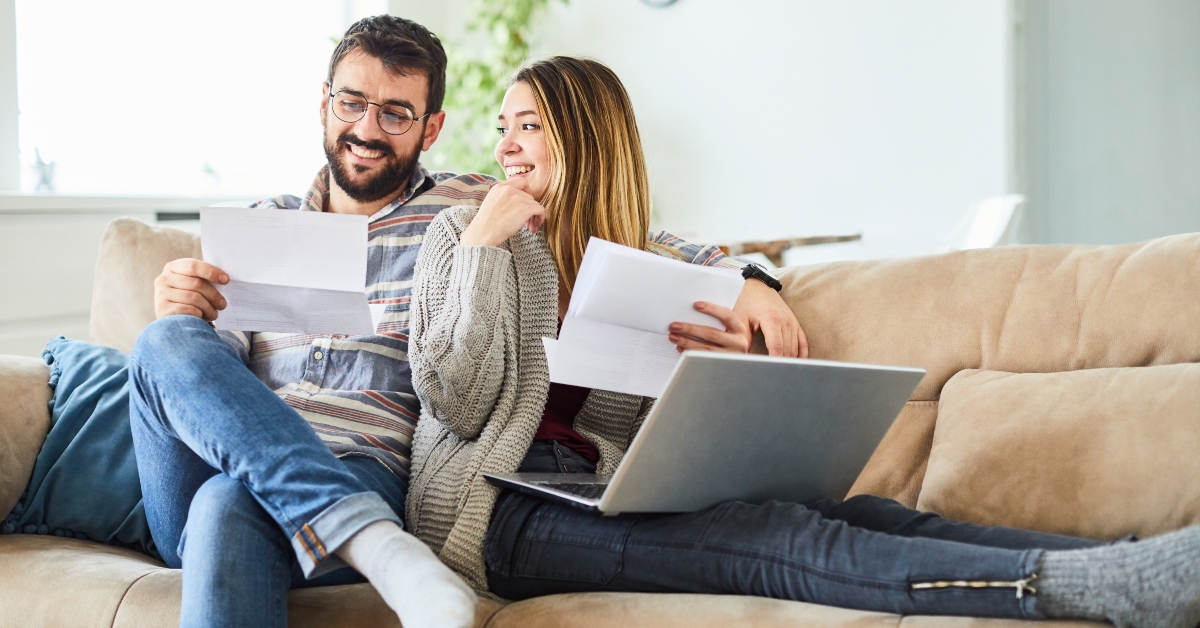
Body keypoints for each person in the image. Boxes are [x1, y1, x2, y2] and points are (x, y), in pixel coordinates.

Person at [405, 55, 1200, 628]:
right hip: (500, 511)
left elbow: (704, 259)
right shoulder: (460, 233)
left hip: (606, 487)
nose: (505, 145)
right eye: (502, 127)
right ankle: (1072, 587)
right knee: (774, 538)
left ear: (586, 137)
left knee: (867, 513)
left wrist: (754, 282)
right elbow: (458, 401)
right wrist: (482, 249)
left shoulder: (635, 251)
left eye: (529, 126)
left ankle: (1131, 559)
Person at [127, 15, 806, 628]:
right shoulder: (255, 226)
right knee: (164, 340)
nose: (366, 128)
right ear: (324, 104)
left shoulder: (472, 206)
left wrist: (747, 278)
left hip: (363, 466)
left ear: (432, 128)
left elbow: (607, 217)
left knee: (225, 505)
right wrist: (187, 315)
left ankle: (362, 528)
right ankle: (374, 544)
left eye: (396, 113)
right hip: (232, 456)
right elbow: (201, 381)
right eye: (352, 102)